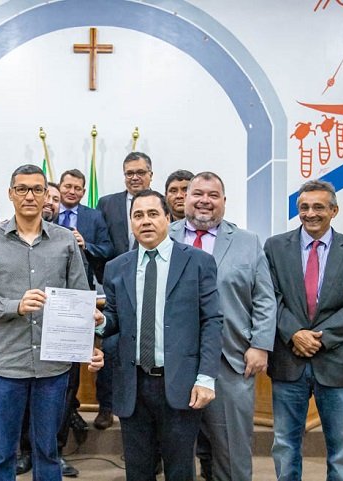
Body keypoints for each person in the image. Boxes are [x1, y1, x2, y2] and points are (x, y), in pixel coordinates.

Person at [0, 164, 104, 481]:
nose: (30, 196)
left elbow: (80, 298)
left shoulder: (65, 241)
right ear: (10, 194)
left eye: (37, 189)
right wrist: (15, 305)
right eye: (22, 189)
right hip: (4, 365)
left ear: (47, 196)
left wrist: (89, 341)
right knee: (3, 454)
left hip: (52, 367)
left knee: (48, 452)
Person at [101, 189, 223, 481]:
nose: (145, 221)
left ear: (168, 218)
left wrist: (206, 377)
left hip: (180, 382)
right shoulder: (116, 267)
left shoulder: (198, 262)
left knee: (180, 470)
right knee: (138, 471)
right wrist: (99, 322)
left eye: (153, 214)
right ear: (131, 222)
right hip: (133, 384)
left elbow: (212, 321)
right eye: (138, 215)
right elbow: (113, 322)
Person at [169, 171, 276, 480]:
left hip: (231, 359)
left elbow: (265, 298)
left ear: (224, 201)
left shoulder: (247, 242)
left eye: (213, 195)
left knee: (232, 449)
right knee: (176, 449)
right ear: (185, 198)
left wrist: (260, 345)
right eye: (198, 194)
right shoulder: (164, 236)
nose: (205, 201)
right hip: (174, 360)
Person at [263, 179, 343, 481]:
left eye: (318, 207)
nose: (310, 213)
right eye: (304, 207)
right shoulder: (274, 247)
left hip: (336, 362)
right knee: (285, 445)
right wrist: (294, 333)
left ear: (334, 211)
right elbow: (270, 297)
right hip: (289, 361)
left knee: (342, 450)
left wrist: (317, 339)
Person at [16, 180, 88, 478]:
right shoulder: (7, 237)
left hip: (63, 336)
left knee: (63, 399)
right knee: (23, 399)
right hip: (21, 337)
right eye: (46, 195)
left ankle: (55, 452)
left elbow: (80, 288)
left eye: (54, 198)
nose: (48, 202)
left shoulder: (69, 240)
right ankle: (26, 452)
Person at [94, 152, 153, 429]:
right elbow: (101, 243)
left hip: (152, 285)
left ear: (150, 174)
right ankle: (106, 407)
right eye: (130, 173)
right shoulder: (107, 203)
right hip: (116, 288)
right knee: (110, 347)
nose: (135, 177)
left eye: (140, 172)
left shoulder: (157, 202)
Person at [58, 169, 113, 287]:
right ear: (59, 187)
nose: (72, 192)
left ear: (83, 192)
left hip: (83, 282)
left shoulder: (95, 216)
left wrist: (86, 246)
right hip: (51, 281)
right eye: (68, 186)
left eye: (77, 188)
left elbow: (107, 249)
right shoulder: (48, 212)